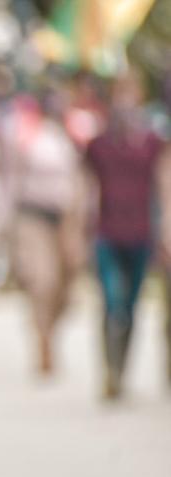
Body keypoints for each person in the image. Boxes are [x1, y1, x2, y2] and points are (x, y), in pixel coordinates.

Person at [84, 71, 170, 399]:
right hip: (106, 232)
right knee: (111, 299)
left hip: (141, 233)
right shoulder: (99, 144)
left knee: (131, 306)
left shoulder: (152, 143)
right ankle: (110, 371)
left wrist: (165, 230)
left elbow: (163, 186)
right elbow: (87, 187)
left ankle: (122, 368)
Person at [2, 92, 86, 375]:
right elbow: (11, 179)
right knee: (42, 280)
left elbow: (81, 180)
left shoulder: (72, 136)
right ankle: (43, 340)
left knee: (67, 282)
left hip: (65, 219)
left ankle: (52, 330)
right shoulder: (26, 137)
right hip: (32, 217)